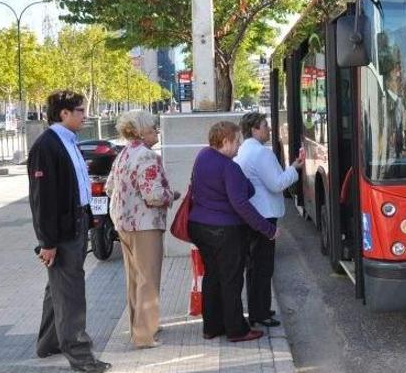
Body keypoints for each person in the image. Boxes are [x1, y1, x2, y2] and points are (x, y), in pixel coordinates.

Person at [28, 90, 111, 372]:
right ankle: (81, 357)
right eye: (80, 110)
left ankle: (48, 343)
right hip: (62, 233)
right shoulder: (47, 146)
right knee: (71, 294)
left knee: (59, 289)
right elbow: (43, 200)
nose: (85, 115)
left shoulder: (68, 141)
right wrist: (47, 242)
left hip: (75, 225)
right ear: (64, 113)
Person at [187, 121, 278, 342]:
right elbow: (243, 202)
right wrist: (267, 229)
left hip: (199, 226)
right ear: (225, 141)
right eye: (236, 142)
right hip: (225, 231)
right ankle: (237, 329)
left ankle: (212, 327)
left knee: (213, 277)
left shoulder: (203, 156)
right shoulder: (229, 167)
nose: (238, 147)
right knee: (231, 280)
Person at [104, 110, 179, 349]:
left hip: (123, 223)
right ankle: (145, 334)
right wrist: (171, 195)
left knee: (135, 278)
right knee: (149, 278)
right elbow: (154, 195)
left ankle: (138, 325)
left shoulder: (123, 154)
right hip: (145, 225)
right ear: (141, 131)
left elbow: (109, 188)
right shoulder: (147, 156)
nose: (156, 131)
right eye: (152, 127)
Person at [234, 112, 304, 328]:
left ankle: (258, 308)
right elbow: (277, 184)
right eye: (265, 125)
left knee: (253, 267)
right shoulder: (261, 154)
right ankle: (261, 313)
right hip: (265, 216)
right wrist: (295, 168)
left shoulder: (243, 150)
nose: (269, 129)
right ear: (254, 129)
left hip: (250, 216)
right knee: (263, 267)